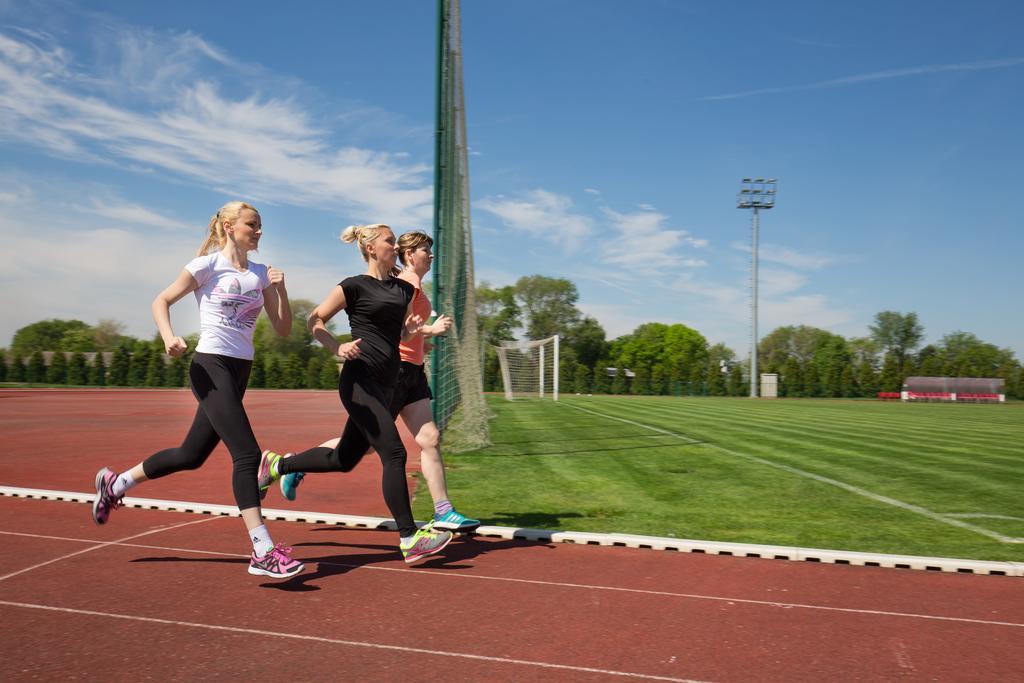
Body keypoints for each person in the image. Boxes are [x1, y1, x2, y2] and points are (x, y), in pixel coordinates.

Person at [91, 201, 304, 579]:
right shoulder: (205, 266)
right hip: (210, 366)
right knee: (248, 454)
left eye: (260, 226)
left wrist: (281, 289)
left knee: (190, 454)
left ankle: (116, 482)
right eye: (252, 225)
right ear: (228, 225)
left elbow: (283, 328)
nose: (258, 231)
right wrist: (169, 337)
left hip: (239, 371)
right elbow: (161, 300)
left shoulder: (259, 274)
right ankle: (262, 550)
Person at [258, 224, 453, 565]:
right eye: (390, 241)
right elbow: (314, 320)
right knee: (393, 453)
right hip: (359, 381)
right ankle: (409, 538)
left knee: (344, 459)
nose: (396, 246)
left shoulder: (402, 290)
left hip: (387, 383)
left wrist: (417, 330)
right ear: (370, 248)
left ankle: (277, 465)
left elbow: (405, 331)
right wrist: (336, 346)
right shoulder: (352, 286)